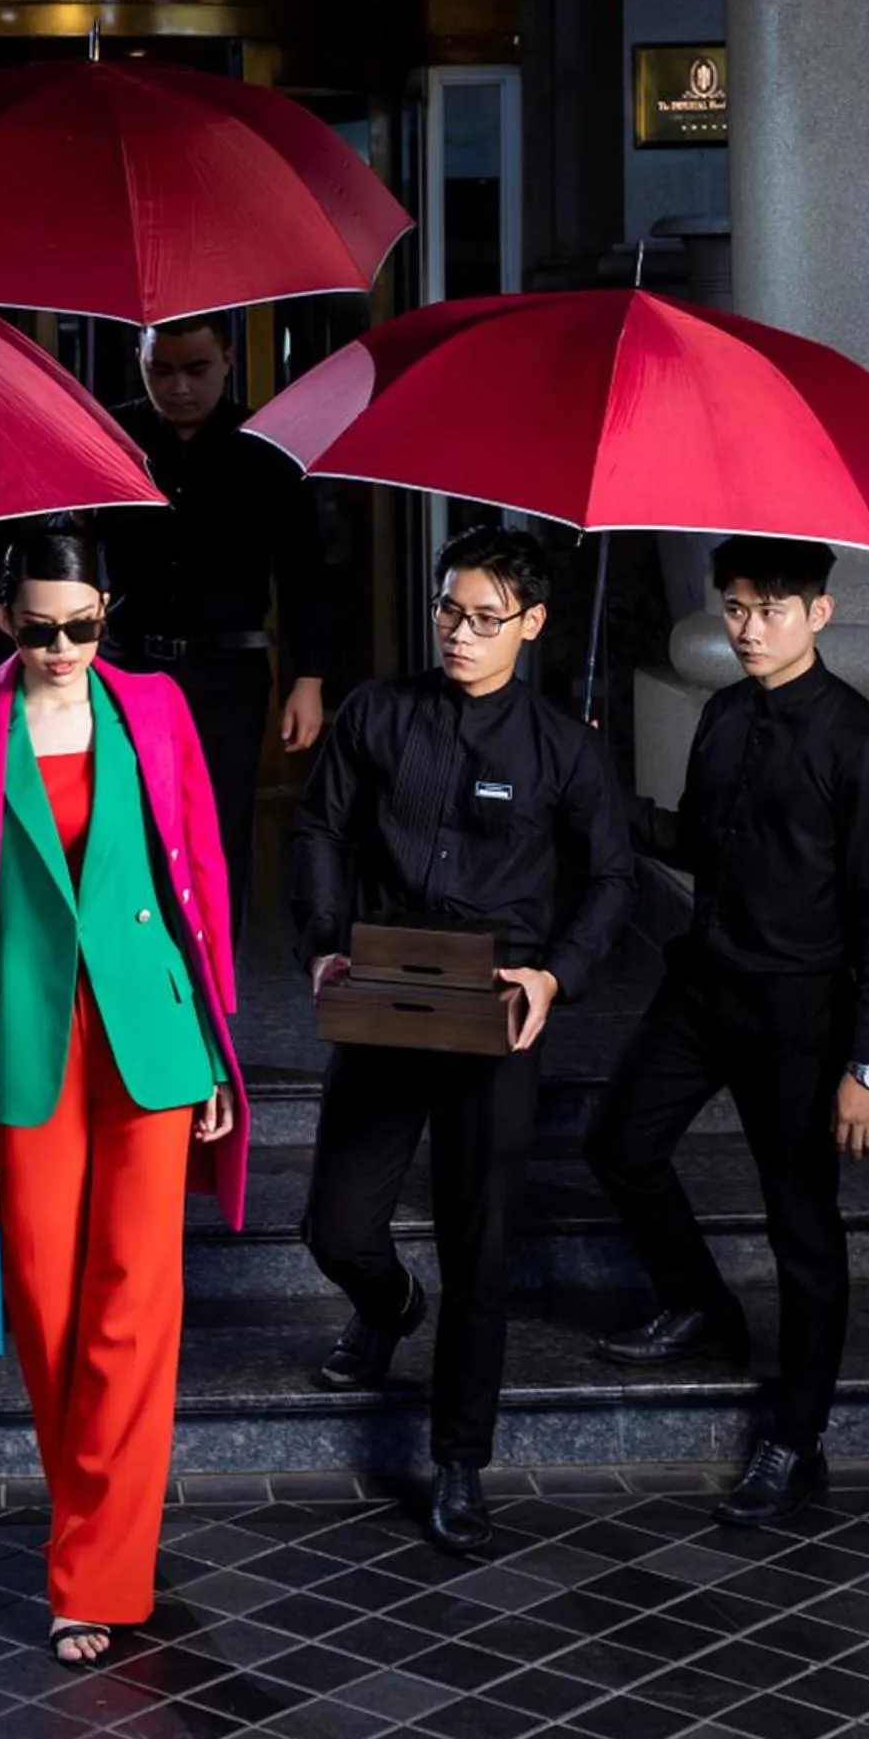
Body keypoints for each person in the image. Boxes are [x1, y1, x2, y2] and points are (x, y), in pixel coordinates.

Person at [0, 528, 248, 1663]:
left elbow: (201, 876)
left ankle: (94, 1567)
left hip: (150, 1036)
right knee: (38, 1299)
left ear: (105, 611)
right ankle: (94, 1515)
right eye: (38, 628)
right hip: (25, 1037)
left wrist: (219, 1047)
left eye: (83, 624)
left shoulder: (155, 706)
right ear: (2, 622)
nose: (63, 647)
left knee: (137, 1301)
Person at [294, 524, 634, 1553]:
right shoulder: (376, 712)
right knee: (336, 1225)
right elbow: (318, 825)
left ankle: (457, 1461)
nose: (460, 632)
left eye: (487, 617)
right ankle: (388, 1302)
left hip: (496, 1006)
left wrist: (554, 972)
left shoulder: (565, 748)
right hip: (386, 988)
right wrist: (322, 940)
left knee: (478, 1245)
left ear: (531, 625)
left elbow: (613, 877)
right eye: (449, 608)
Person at [586, 537, 869, 1526]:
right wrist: (607, 791)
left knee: (799, 1223)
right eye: (733, 607)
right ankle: (699, 1300)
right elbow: (696, 840)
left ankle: (795, 1439)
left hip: (802, 1014)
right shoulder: (724, 713)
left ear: (817, 611)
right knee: (618, 1143)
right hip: (703, 986)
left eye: (770, 608)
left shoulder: (859, 745)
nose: (746, 627)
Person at [95, 315, 333, 923]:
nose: (178, 387)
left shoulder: (268, 449)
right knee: (125, 819)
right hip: (126, 663)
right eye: (161, 369)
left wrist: (308, 678)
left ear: (228, 358)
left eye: (196, 369)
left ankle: (213, 972)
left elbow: (305, 571)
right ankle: (133, 967)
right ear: (139, 357)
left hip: (229, 670)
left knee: (219, 826)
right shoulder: (109, 437)